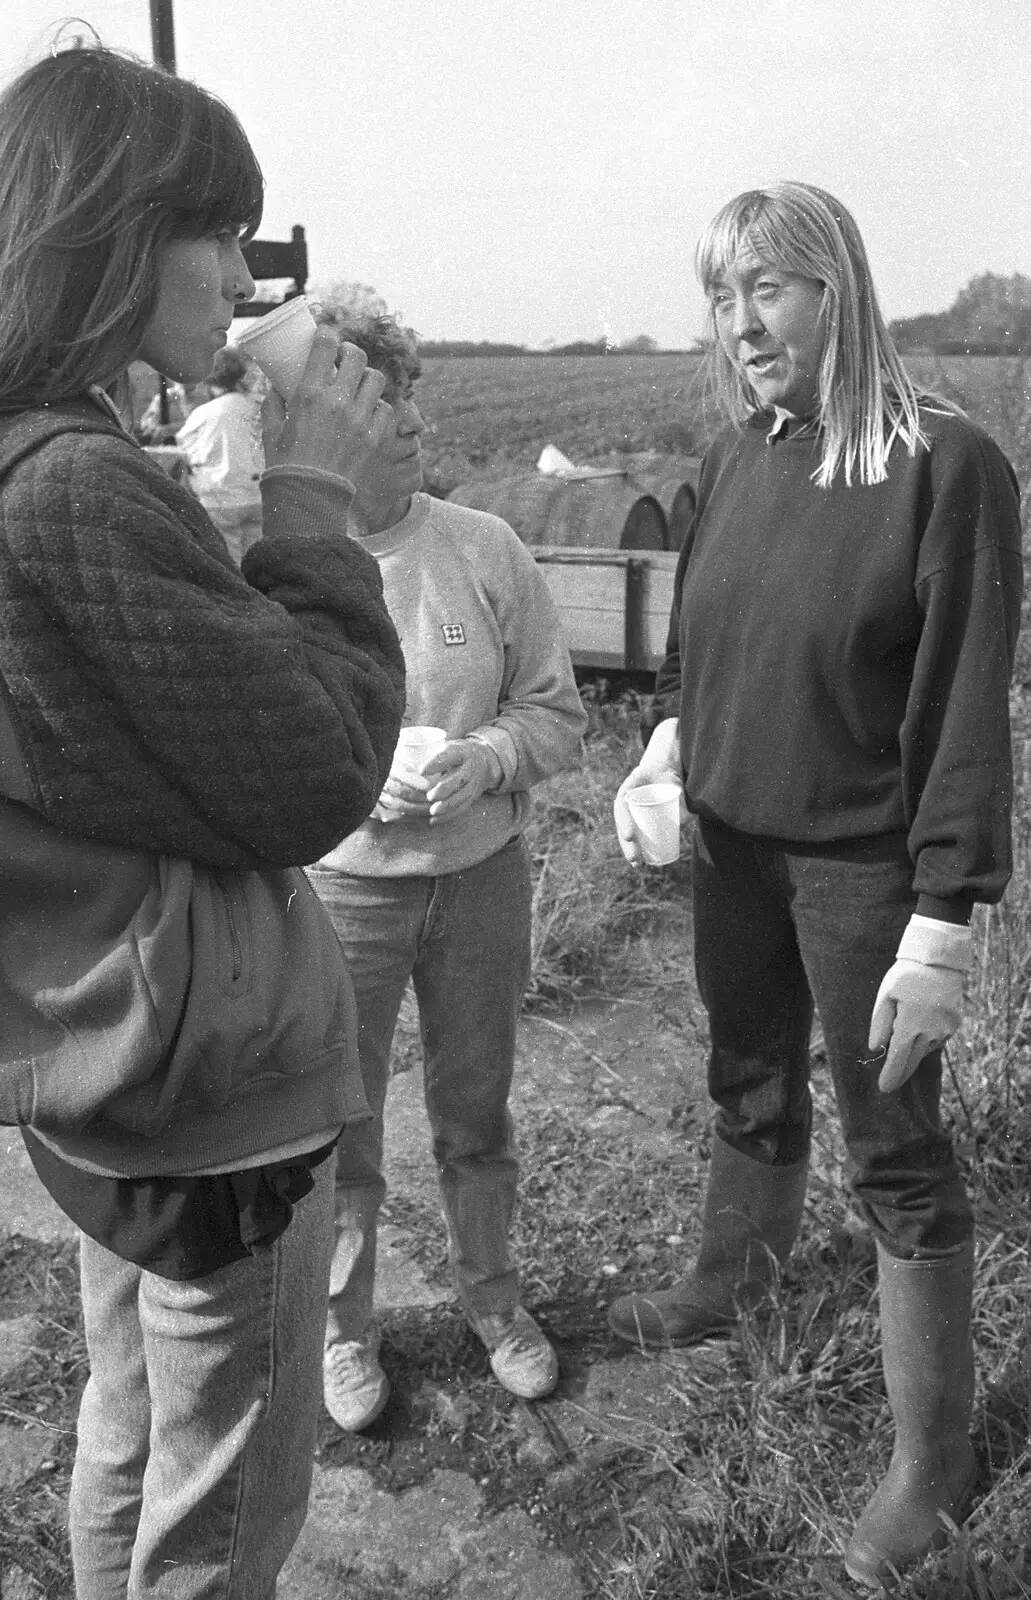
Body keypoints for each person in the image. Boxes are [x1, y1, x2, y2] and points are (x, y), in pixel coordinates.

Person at [0, 44, 406, 1599]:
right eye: (218, 232)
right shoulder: (73, 488)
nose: (242, 274)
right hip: (213, 1100)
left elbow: (156, 753)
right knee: (226, 1512)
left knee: (127, 1436)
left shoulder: (51, 458)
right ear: (108, 231)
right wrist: (312, 506)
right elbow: (310, 775)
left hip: (110, 1074)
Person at [609, 183, 1023, 1588]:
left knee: (892, 1147)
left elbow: (963, 701)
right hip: (725, 848)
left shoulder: (939, 464)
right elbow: (704, 644)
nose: (739, 325)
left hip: (859, 867)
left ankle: (931, 1460)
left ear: (835, 290)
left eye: (766, 290)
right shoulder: (736, 458)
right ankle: (738, 1279)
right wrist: (666, 752)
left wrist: (942, 916)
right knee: (746, 1072)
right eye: (720, 298)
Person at [305, 309, 587, 1431]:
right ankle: (341, 1331)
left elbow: (555, 713)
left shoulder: (483, 549)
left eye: (416, 393)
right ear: (318, 429)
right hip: (339, 894)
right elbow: (260, 737)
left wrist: (489, 755)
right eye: (386, 404)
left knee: (475, 1113)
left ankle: (492, 1299)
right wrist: (343, 775)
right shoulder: (284, 572)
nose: (416, 419)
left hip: (478, 881)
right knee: (342, 1125)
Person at [175, 344, 265, 563]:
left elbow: (184, 445)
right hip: (257, 496)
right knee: (257, 561)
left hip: (219, 499)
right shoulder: (255, 407)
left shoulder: (205, 413)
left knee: (230, 564)